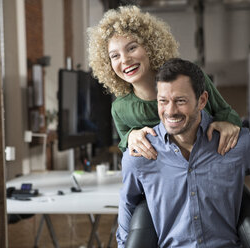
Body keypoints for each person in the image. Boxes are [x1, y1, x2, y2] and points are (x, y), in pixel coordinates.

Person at [117, 58, 250, 248]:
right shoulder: (140, 155)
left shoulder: (238, 144)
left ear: (202, 100)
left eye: (180, 101)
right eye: (163, 101)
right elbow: (128, 205)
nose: (170, 111)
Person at [87, 5, 241, 159]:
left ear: (150, 47)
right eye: (115, 56)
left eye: (132, 48)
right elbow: (131, 158)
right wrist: (130, 137)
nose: (125, 59)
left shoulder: (192, 78)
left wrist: (228, 124)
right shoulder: (120, 109)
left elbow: (226, 113)